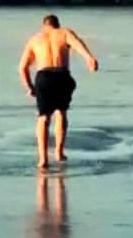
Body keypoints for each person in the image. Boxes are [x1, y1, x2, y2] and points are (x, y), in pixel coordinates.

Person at [18, 14, 99, 168]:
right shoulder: (64, 32)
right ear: (57, 25)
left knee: (43, 117)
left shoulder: (35, 39)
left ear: (44, 26)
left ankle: (43, 159)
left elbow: (22, 67)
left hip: (44, 77)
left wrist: (30, 87)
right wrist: (90, 58)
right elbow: (77, 44)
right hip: (62, 75)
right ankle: (59, 152)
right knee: (61, 112)